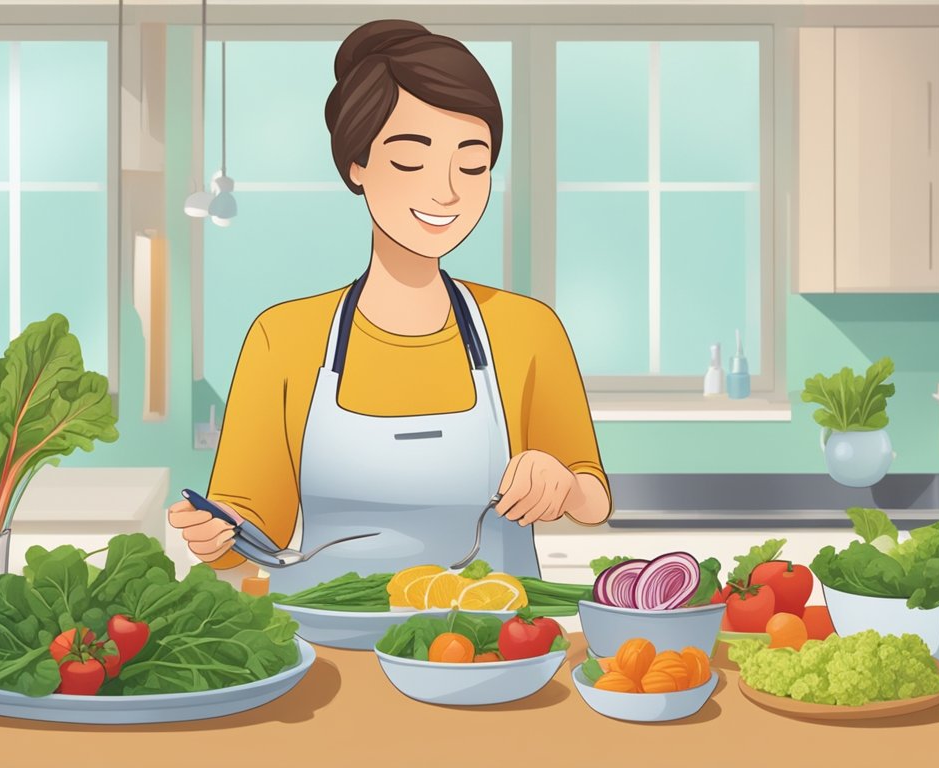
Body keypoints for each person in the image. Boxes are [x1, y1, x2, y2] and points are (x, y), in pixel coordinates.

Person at [167, 19, 611, 593]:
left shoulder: (526, 328)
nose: (447, 190)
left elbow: (593, 499)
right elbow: (256, 531)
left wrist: (563, 485)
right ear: (357, 164)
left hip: (492, 647)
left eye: (472, 164)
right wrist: (217, 535)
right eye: (410, 160)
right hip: (327, 644)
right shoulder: (284, 337)